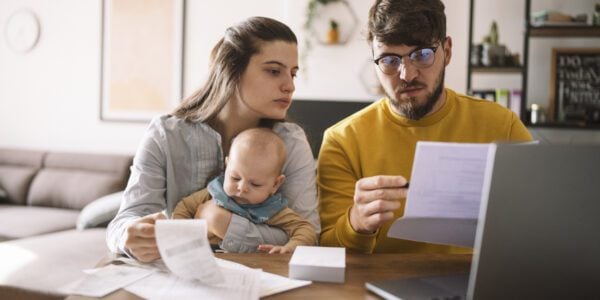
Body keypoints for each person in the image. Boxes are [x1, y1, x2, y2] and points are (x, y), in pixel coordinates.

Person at [317, 0, 532, 254]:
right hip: (378, 289)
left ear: (447, 51)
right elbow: (327, 252)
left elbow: (540, 221)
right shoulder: (342, 140)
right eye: (389, 60)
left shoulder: (501, 126)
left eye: (421, 55)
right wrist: (357, 223)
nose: (407, 74)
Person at [107, 17, 320, 262]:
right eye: (274, 71)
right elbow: (123, 222)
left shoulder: (291, 142)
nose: (290, 86)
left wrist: (223, 224)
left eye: (293, 74)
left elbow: (308, 234)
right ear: (232, 70)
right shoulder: (165, 134)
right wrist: (128, 236)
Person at [172, 128, 316, 254]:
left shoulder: (272, 209)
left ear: (275, 184)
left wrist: (291, 247)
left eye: (255, 184)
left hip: (250, 264)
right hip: (205, 258)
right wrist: (180, 237)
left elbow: (306, 229)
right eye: (235, 178)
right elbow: (183, 207)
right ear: (227, 165)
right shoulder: (215, 191)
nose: (242, 188)